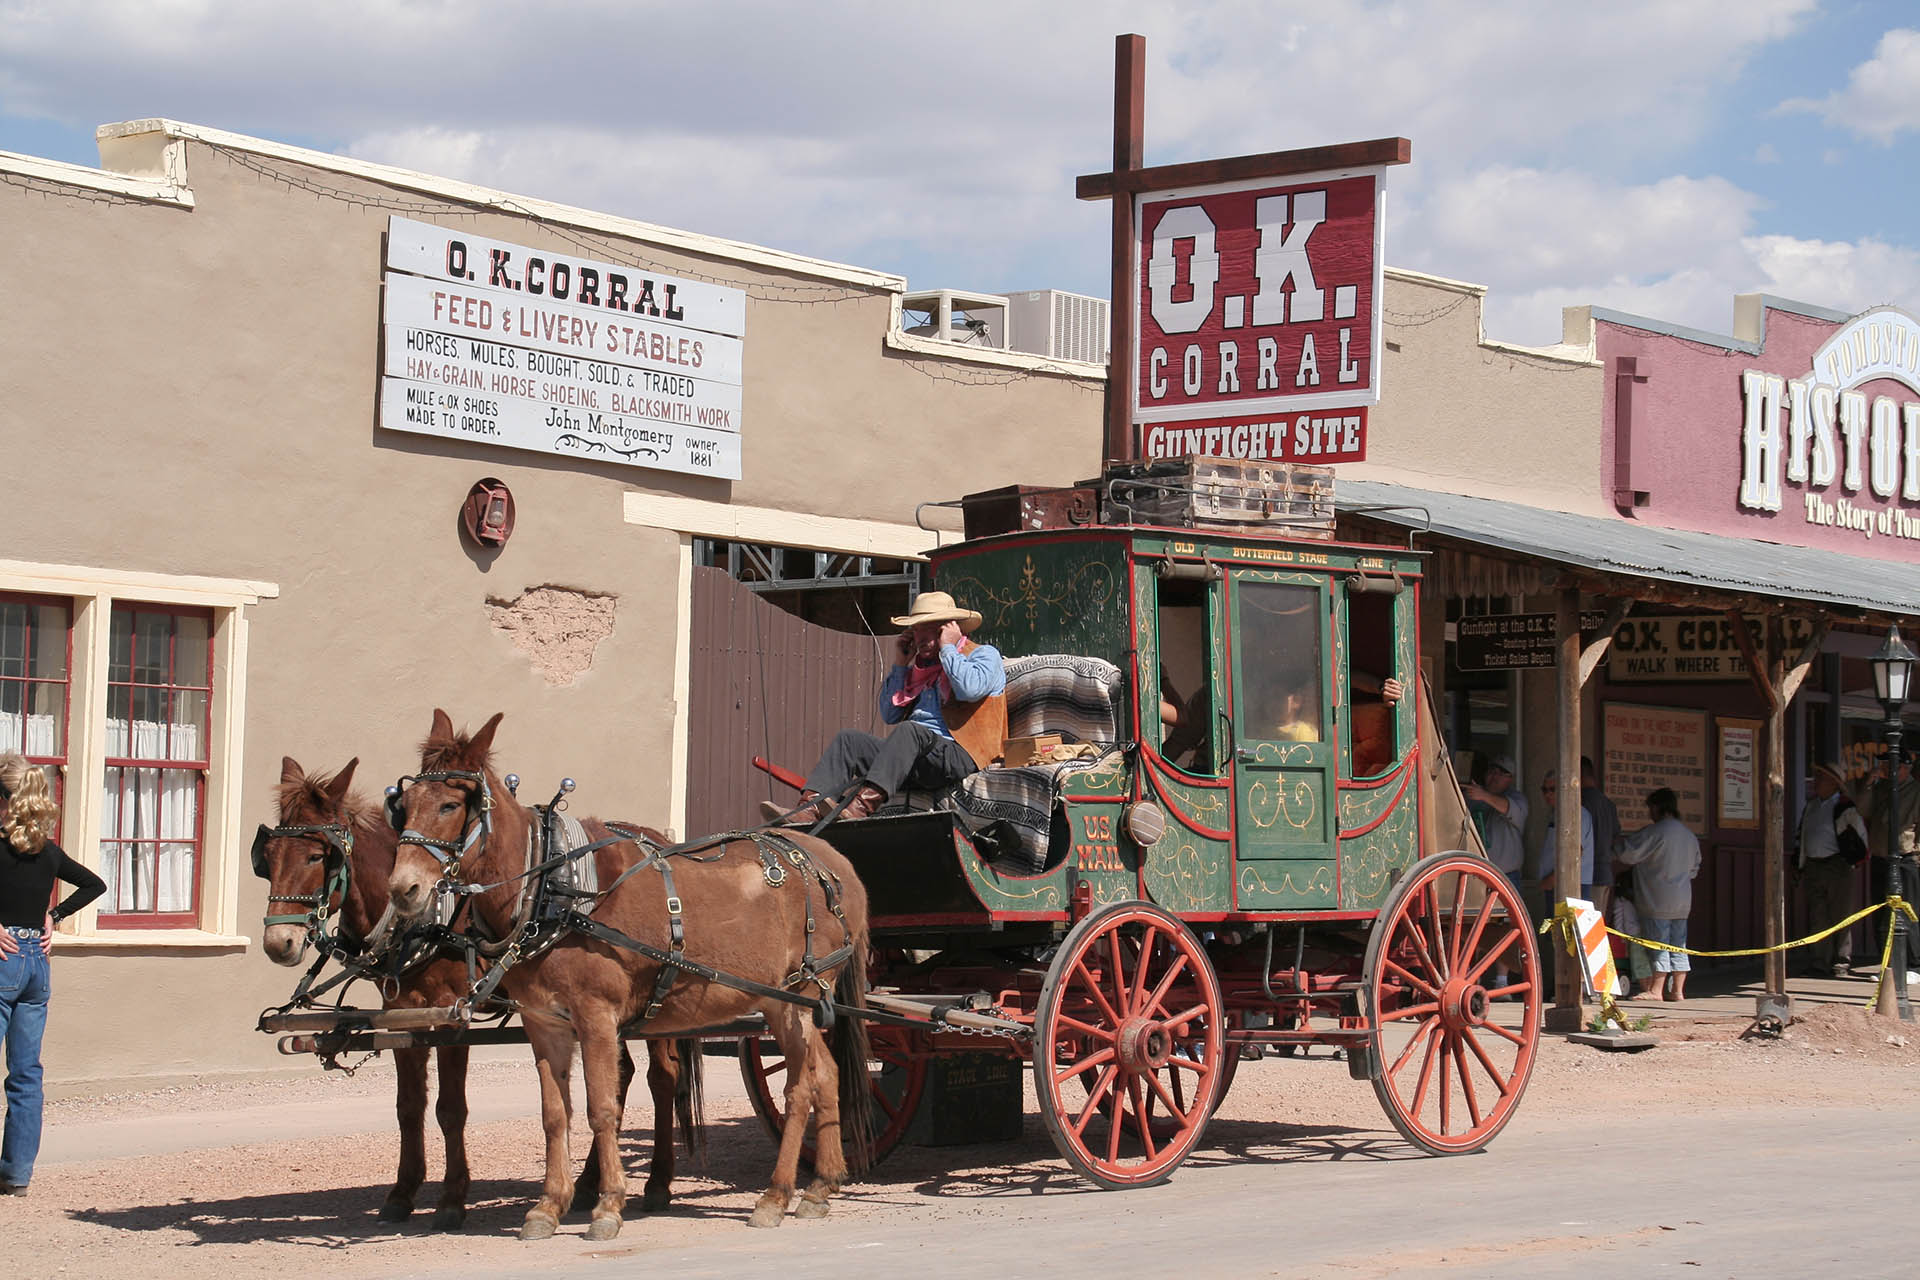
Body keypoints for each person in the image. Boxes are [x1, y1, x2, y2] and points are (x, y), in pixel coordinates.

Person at [765, 591, 1005, 825]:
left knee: (910, 731)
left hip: (959, 753)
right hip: (916, 754)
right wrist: (901, 663)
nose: (919, 636)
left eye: (926, 627)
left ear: (948, 627)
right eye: (916, 628)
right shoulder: (919, 671)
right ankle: (808, 809)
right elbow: (889, 714)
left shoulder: (983, 655)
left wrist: (948, 649)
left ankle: (861, 808)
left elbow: (969, 689)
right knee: (849, 740)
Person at [0, 752, 104, 1195]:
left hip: (4, 962)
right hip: (36, 964)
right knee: (26, 1074)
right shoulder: (47, 850)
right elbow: (95, 883)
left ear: (5, 801)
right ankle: (16, 1174)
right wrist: (52, 916)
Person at [1615, 788, 1703, 1001]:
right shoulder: (1688, 835)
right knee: (1679, 945)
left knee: (1658, 943)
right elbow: (1694, 868)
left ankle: (1656, 990)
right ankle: (1678, 990)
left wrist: (1614, 843)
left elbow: (1628, 854)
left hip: (1657, 898)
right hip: (1682, 898)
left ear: (1657, 806)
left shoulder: (1656, 832)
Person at [1796, 761, 1867, 978]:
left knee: (1840, 915)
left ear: (1834, 784)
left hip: (1837, 864)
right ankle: (1820, 962)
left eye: (1821, 778)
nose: (1816, 782)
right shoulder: (1812, 806)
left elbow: (1860, 837)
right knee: (1818, 915)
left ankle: (1841, 962)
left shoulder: (1845, 807)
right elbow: (1802, 833)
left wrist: (1852, 861)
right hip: (1814, 865)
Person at [1859, 750, 1920, 979]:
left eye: (1893, 766)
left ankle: (1914, 965)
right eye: (1885, 765)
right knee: (1882, 912)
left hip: (1906, 858)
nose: (1889, 770)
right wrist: (1869, 782)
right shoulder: (1881, 788)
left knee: (1908, 912)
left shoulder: (1915, 791)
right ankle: (1888, 965)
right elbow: (1863, 810)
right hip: (1881, 857)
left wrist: (1917, 855)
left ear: (1906, 768)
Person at [1533, 769, 1597, 900]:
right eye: (1544, 790)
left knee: (1567, 921)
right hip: (1556, 883)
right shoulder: (1556, 813)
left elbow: (1575, 852)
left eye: (1552, 789)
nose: (1548, 794)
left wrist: (1552, 879)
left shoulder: (1576, 814)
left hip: (1571, 885)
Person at [1579, 756, 1622, 915]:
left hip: (1587, 876)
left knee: (1585, 933)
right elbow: (1615, 836)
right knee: (1596, 930)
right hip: (1605, 872)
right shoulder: (1608, 804)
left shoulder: (1581, 801)